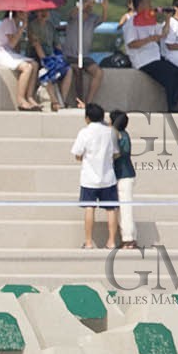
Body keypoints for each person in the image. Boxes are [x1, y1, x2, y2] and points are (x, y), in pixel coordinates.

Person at [122, 0, 178, 111]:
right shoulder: (131, 23)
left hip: (155, 57)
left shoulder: (149, 20)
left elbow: (163, 33)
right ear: (140, 5)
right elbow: (131, 44)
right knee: (171, 75)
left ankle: (174, 104)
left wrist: (167, 19)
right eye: (148, 3)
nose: (151, 5)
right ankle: (171, 106)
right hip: (143, 60)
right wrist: (149, 39)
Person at [73, 100, 118, 251]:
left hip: (89, 178)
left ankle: (88, 242)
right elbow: (115, 153)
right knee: (111, 209)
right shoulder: (110, 132)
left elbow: (77, 154)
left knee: (89, 208)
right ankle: (111, 241)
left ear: (87, 118)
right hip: (108, 176)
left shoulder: (84, 132)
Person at [0, 10, 41, 110]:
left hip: (8, 52)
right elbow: (12, 43)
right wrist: (22, 27)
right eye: (25, 12)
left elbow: (15, 47)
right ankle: (20, 100)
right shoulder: (8, 22)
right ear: (18, 12)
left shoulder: (16, 24)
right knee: (27, 67)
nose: (28, 14)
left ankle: (29, 97)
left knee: (34, 64)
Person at [65, 0, 105, 108]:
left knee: (98, 72)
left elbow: (103, 19)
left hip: (84, 55)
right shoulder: (74, 15)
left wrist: (104, 7)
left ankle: (88, 102)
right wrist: (82, 5)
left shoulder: (93, 18)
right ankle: (79, 101)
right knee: (78, 71)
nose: (89, 5)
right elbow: (71, 14)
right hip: (71, 54)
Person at [28, 7, 71, 110]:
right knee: (48, 72)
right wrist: (46, 61)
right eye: (41, 11)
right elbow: (36, 44)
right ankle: (54, 101)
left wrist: (61, 58)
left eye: (46, 11)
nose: (44, 14)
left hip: (51, 55)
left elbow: (57, 44)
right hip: (37, 56)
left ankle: (62, 100)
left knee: (69, 70)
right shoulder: (32, 26)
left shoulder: (50, 26)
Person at [110, 109, 138, 250]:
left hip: (124, 176)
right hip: (121, 176)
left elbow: (120, 154)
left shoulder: (121, 137)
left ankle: (129, 240)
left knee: (126, 209)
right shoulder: (121, 134)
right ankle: (129, 237)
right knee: (123, 209)